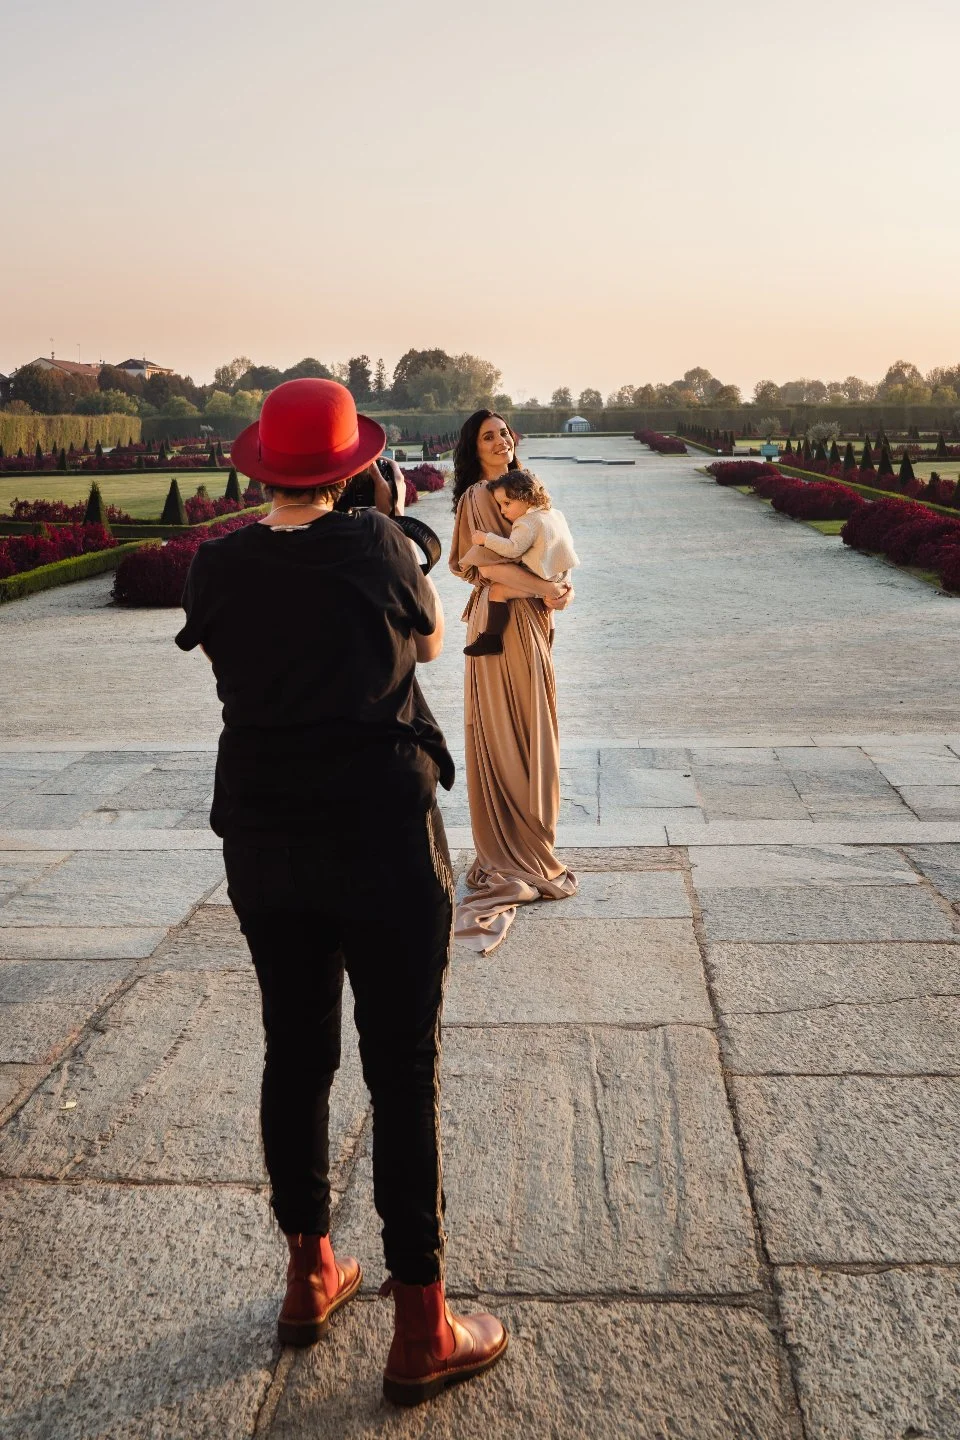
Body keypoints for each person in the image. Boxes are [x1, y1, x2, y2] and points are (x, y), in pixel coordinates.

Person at [175, 378, 507, 1406]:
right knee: (402, 1068)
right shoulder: (377, 549)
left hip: (269, 840)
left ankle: (309, 1271)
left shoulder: (219, 562)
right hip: (380, 837)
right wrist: (380, 521)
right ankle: (420, 1324)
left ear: (261, 465)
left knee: (297, 1051)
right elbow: (433, 643)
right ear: (353, 463)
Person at [448, 410, 578, 952]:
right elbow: (481, 566)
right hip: (503, 628)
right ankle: (515, 848)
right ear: (473, 448)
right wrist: (546, 590)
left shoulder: (522, 494)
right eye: (488, 435)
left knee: (533, 724)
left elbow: (545, 559)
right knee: (514, 728)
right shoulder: (480, 495)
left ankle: (525, 842)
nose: (500, 440)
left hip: (528, 619)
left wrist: (559, 590)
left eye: (503, 432)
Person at [466, 469, 579, 657]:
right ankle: (547, 649)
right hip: (560, 574)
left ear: (526, 497)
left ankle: (491, 638)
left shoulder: (526, 522)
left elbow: (512, 548)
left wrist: (485, 539)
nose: (503, 511)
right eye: (500, 505)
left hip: (540, 577)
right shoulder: (555, 514)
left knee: (498, 591)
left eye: (507, 503)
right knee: (548, 611)